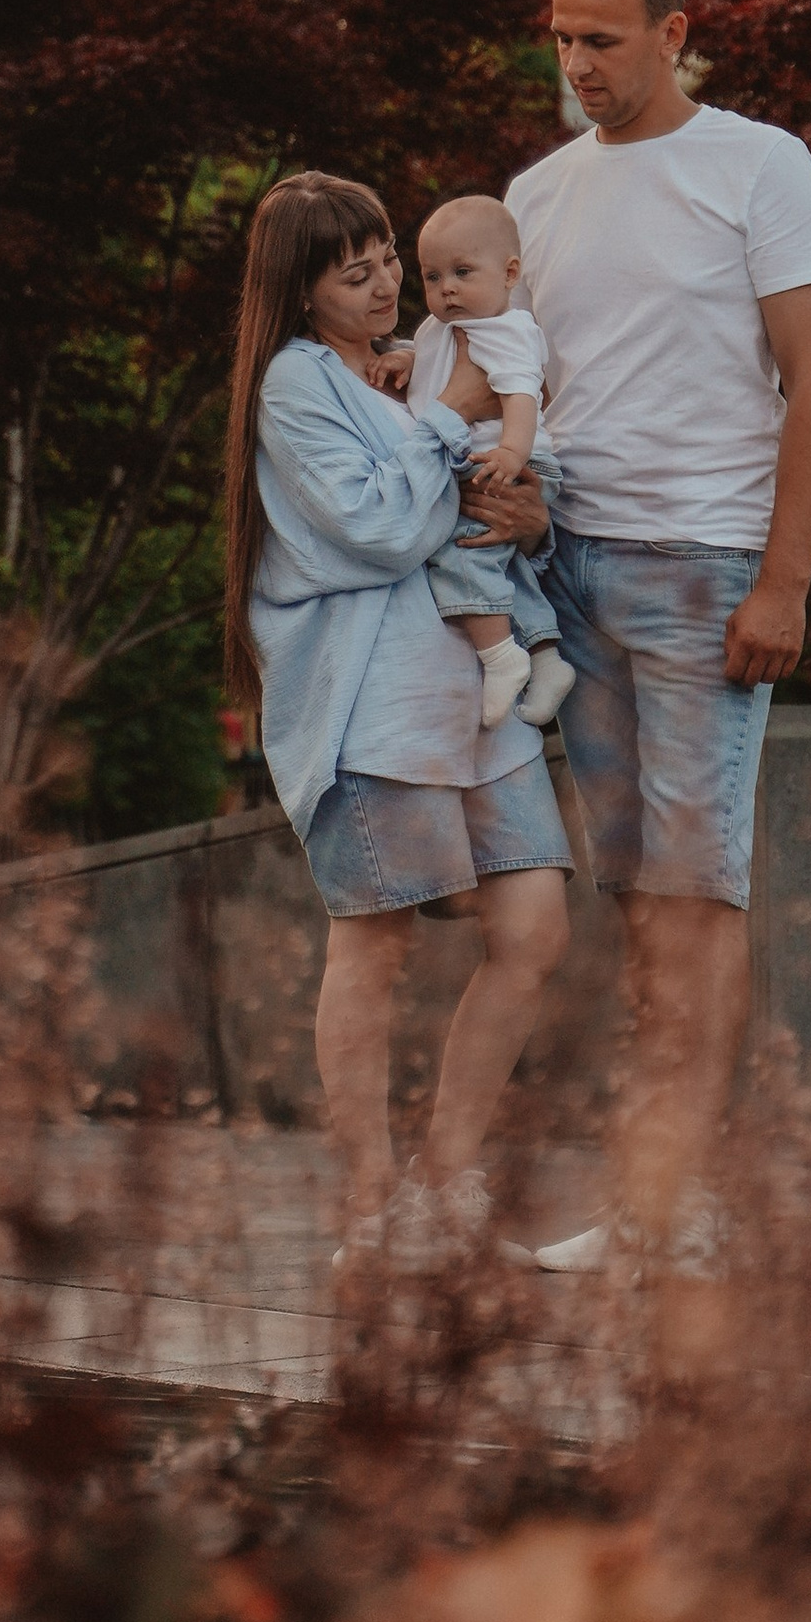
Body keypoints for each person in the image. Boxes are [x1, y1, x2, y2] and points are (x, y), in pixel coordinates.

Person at [469, 0, 811, 1286]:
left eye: (604, 39)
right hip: (569, 578)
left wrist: (783, 582)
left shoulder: (761, 167)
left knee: (698, 891)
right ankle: (648, 1206)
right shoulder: (537, 195)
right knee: (638, 897)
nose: (578, 63)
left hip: (704, 579)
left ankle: (684, 1207)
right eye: (562, 38)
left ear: (676, 29)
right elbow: (517, 402)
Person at [223, 170, 571, 1267]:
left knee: (534, 930)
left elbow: (503, 510)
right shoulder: (295, 386)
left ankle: (444, 1186)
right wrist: (449, 419)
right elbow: (375, 528)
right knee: (370, 950)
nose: (383, 282)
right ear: (300, 287)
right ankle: (373, 1212)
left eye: (385, 258)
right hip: (373, 702)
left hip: (481, 697)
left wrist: (519, 506)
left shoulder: (421, 356)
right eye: (355, 268)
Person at [370, 193, 574, 731]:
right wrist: (404, 357)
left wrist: (512, 451)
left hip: (509, 459)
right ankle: (546, 657)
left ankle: (500, 658)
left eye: (462, 272)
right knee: (498, 563)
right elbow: (435, 367)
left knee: (460, 554)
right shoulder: (440, 329)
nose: (447, 289)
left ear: (509, 273)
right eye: (432, 277)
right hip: (481, 457)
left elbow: (522, 398)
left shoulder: (507, 330)